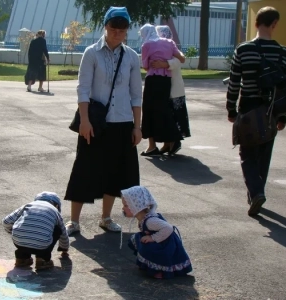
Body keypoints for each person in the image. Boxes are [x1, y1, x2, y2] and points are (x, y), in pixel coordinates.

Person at [64, 6, 142, 235]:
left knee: (116, 172)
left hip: (123, 122)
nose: (117, 32)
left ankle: (106, 218)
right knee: (84, 168)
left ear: (127, 30)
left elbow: (136, 94)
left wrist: (137, 126)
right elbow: (83, 89)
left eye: (122, 28)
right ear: (105, 26)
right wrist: (84, 121)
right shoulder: (92, 53)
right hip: (97, 123)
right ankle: (74, 221)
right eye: (113, 27)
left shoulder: (131, 56)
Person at [226, 7, 286, 216]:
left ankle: (255, 192)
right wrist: (282, 116)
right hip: (271, 109)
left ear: (255, 24)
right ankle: (257, 191)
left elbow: (234, 82)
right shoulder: (283, 53)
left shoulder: (243, 50)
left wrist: (231, 108)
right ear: (274, 24)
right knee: (264, 153)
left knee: (247, 154)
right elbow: (284, 88)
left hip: (248, 107)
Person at [121, 186, 192, 279]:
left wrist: (152, 238)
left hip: (165, 245)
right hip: (159, 240)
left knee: (149, 248)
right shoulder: (142, 218)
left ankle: (160, 270)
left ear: (136, 205)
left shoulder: (150, 221)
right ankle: (147, 265)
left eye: (126, 205)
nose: (123, 208)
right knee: (137, 239)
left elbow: (168, 228)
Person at [139, 24, 186, 157]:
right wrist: (166, 63)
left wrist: (159, 64)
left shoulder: (146, 45)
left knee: (148, 110)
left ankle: (152, 145)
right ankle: (171, 140)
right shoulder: (170, 43)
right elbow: (182, 58)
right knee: (164, 110)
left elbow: (146, 66)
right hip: (166, 81)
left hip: (153, 80)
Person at [2, 191, 69, 270]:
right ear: (57, 205)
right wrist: (64, 248)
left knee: (24, 227)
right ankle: (43, 259)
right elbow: (63, 232)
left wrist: (12, 232)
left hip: (19, 241)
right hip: (41, 244)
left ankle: (22, 259)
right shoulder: (55, 211)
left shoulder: (28, 205)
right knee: (57, 229)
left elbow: (6, 221)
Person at [154, 25, 191, 152]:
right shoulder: (158, 48)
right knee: (166, 116)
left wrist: (164, 64)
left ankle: (174, 142)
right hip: (163, 88)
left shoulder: (171, 45)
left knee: (174, 117)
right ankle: (166, 143)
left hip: (174, 89)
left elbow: (179, 60)